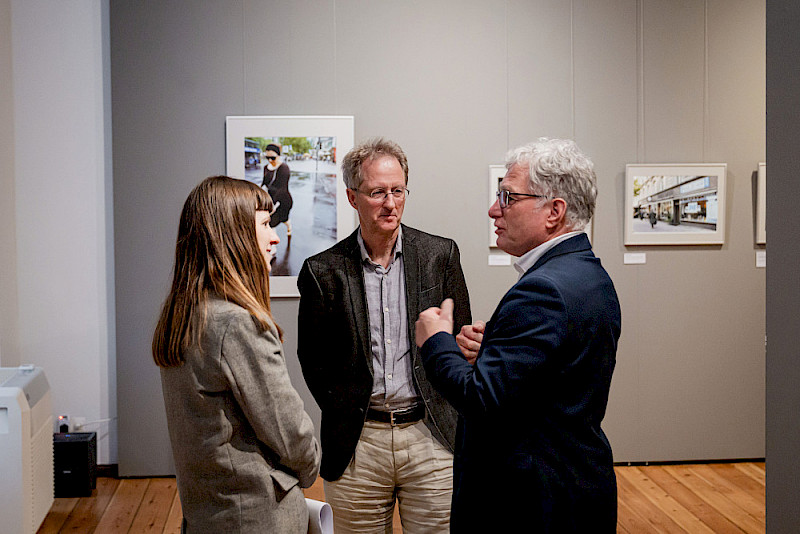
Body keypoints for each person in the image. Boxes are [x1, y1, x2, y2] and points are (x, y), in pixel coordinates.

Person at [415, 138, 621, 533]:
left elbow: (481, 399)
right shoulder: (588, 275)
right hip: (570, 487)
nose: (494, 210)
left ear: (554, 211)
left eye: (508, 197)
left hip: (532, 504)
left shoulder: (544, 290)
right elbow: (554, 373)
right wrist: (494, 348)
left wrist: (436, 341)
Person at [297, 137, 472, 533]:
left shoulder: (439, 255)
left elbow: (457, 341)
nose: (390, 203)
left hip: (431, 436)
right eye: (377, 193)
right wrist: (347, 409)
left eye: (398, 190)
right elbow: (313, 361)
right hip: (359, 442)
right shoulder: (322, 271)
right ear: (352, 197)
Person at [152, 175, 320, 533]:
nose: (274, 236)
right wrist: (310, 467)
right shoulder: (236, 324)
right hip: (256, 516)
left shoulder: (186, 316)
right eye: (264, 224)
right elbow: (289, 431)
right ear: (233, 234)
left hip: (208, 513)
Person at [262, 143, 293, 239]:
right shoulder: (266, 168)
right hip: (271, 199)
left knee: (282, 219)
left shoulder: (284, 168)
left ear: (278, 156)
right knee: (270, 223)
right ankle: (272, 247)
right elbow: (264, 184)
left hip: (282, 200)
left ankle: (288, 225)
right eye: (267, 157)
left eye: (273, 158)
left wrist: (273, 204)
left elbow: (282, 188)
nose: (270, 160)